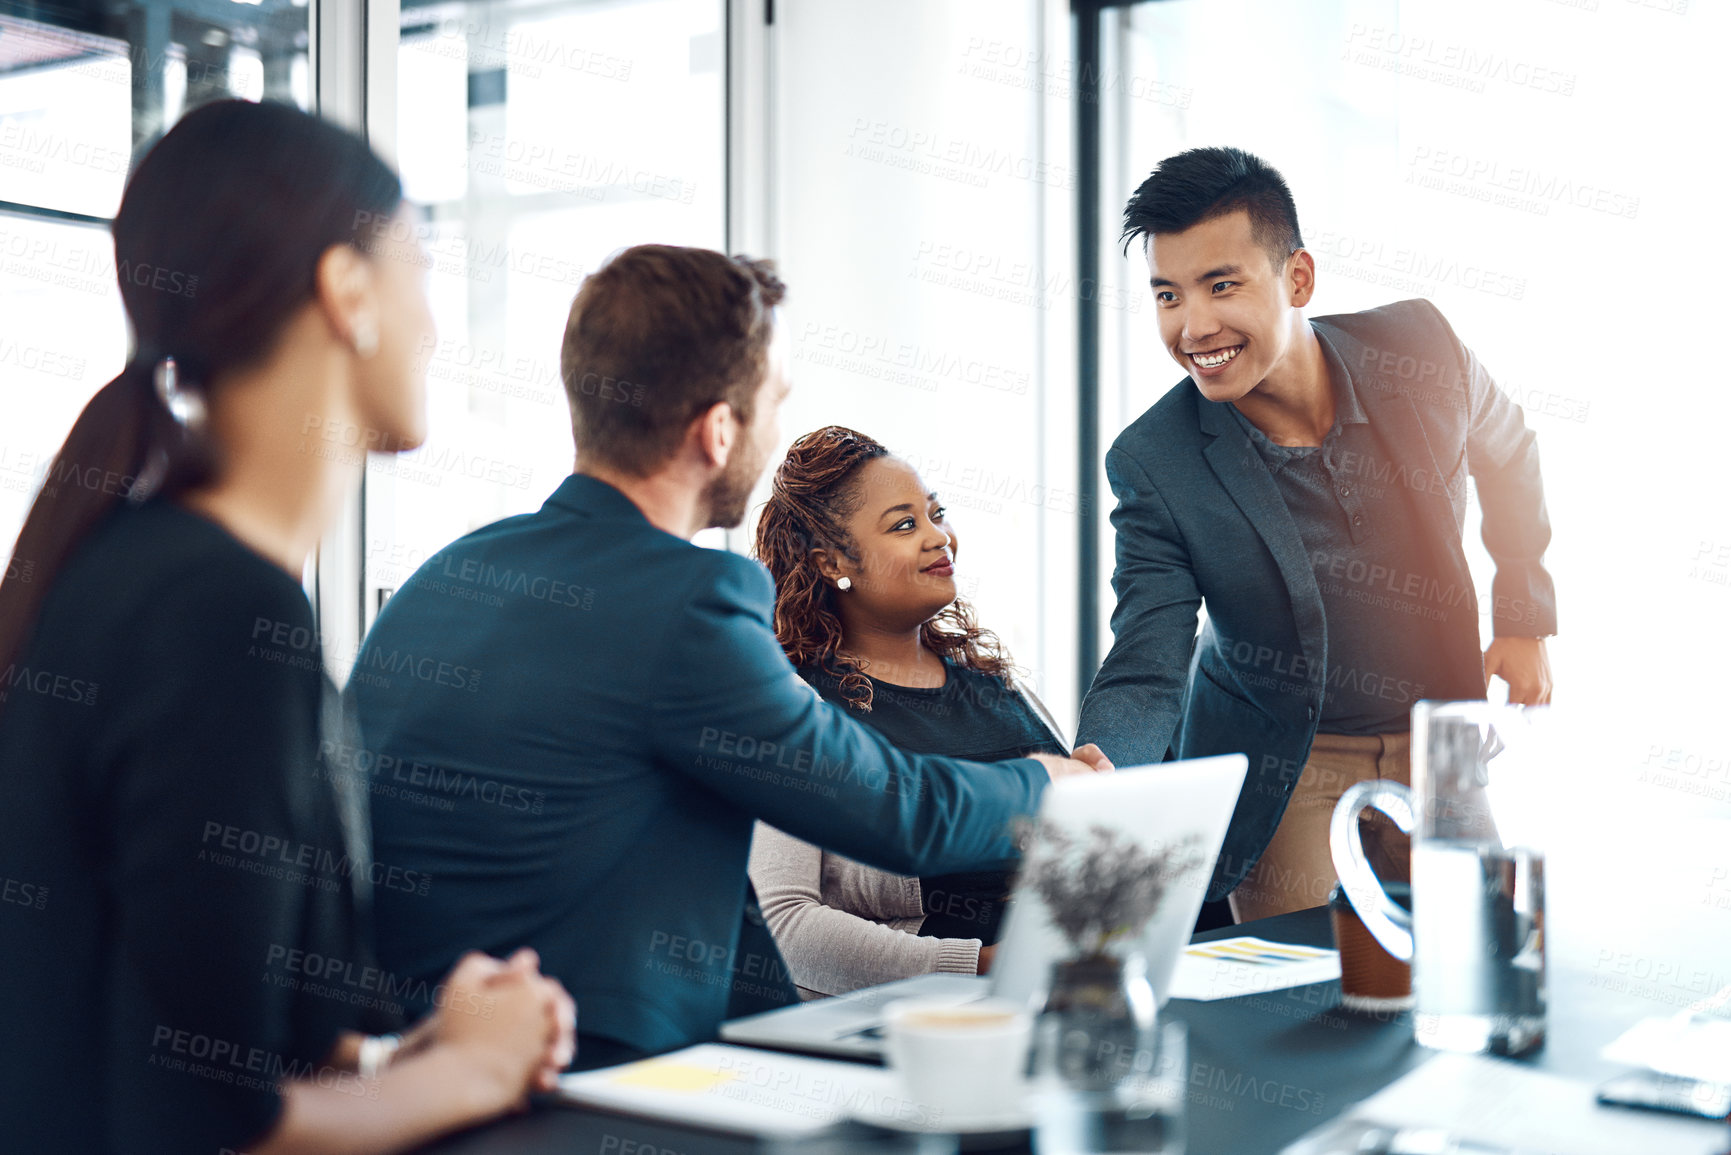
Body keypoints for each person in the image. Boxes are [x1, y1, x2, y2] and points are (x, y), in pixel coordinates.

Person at [350, 245, 1106, 1069]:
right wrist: (1045, 784)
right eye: (772, 402)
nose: (775, 427)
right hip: (600, 1080)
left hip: (424, 1066)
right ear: (718, 430)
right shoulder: (686, 599)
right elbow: (890, 810)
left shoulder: (447, 575)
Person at [0, 101, 573, 1155]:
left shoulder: (143, 572)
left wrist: (411, 1056)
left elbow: (174, 1038)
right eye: (420, 272)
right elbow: (215, 1129)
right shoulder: (218, 614)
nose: (435, 327)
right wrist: (475, 1071)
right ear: (347, 293)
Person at [1076, 147, 1556, 922]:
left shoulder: (1419, 348)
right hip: (1288, 766)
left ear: (1296, 278)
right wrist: (1095, 772)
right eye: (1168, 295)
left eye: (1220, 285)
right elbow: (1147, 655)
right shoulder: (1153, 460)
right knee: (1292, 1000)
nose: (1193, 326)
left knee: (1476, 958)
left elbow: (1510, 452)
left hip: (1440, 746)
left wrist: (1524, 616)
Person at [749, 426, 1108, 996]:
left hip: (1063, 986)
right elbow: (786, 926)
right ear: (831, 561)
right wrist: (983, 965)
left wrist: (1102, 808)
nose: (939, 537)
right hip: (918, 1018)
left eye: (937, 513)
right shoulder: (794, 706)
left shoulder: (997, 684)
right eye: (905, 525)